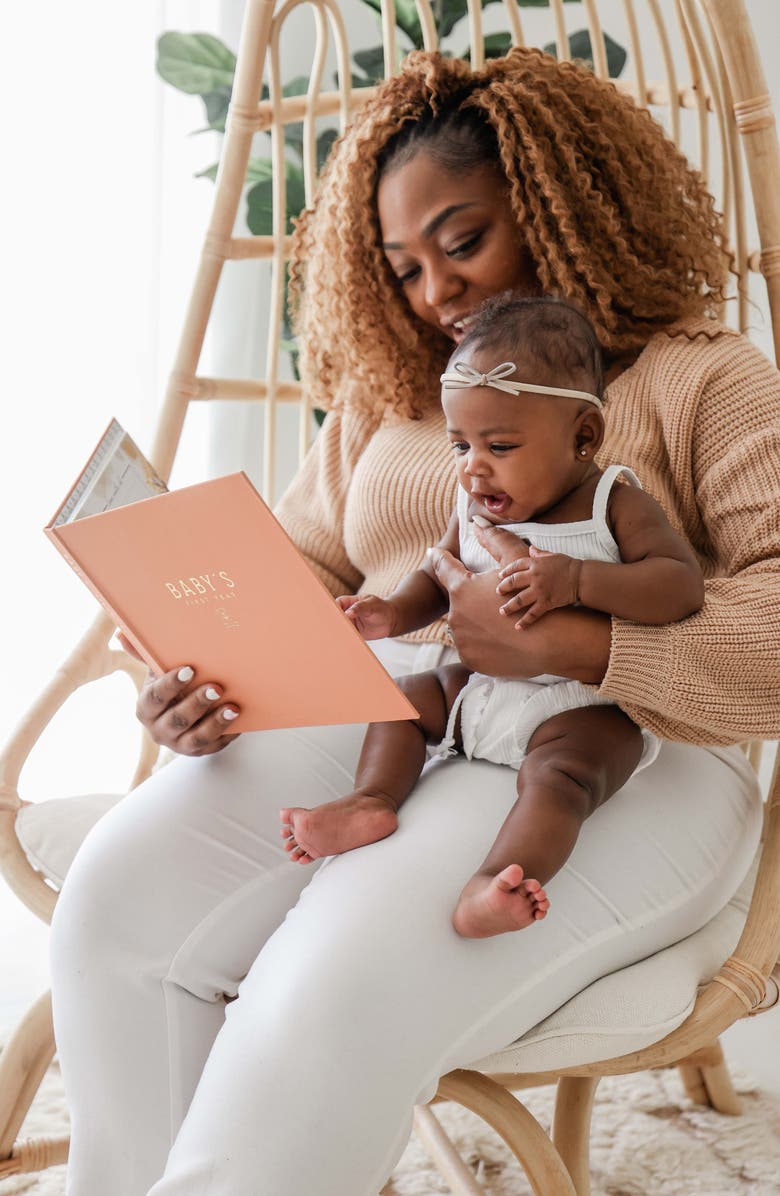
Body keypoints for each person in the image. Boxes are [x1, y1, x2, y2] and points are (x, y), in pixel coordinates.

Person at [48, 46, 777, 1196]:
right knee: (115, 897)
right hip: (410, 712)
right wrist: (203, 674)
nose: (435, 292)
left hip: (617, 751)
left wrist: (575, 637)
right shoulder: (402, 396)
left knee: (329, 983)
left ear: (560, 210)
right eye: (403, 267)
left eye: (464, 240)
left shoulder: (704, 376)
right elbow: (302, 567)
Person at [279, 295, 705, 939]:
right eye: (460, 444)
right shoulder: (474, 501)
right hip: (477, 688)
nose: (474, 467)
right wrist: (390, 613)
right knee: (402, 701)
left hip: (582, 706)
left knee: (563, 781)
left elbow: (679, 587)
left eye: (500, 445)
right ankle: (371, 799)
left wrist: (580, 579)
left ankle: (497, 881)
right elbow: (439, 570)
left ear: (583, 438)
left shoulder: (613, 503)